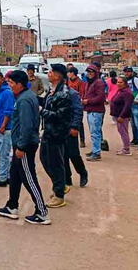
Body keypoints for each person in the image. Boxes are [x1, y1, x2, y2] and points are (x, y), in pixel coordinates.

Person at [0, 70, 49, 225]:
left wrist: (21, 146)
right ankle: (12, 206)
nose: (9, 86)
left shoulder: (25, 100)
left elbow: (26, 126)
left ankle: (42, 212)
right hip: (20, 143)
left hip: (24, 145)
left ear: (19, 84)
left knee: (29, 177)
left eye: (11, 83)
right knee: (15, 174)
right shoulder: (23, 97)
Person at [40, 64, 82, 207]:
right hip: (49, 131)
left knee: (56, 163)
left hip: (57, 133)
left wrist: (41, 111)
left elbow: (59, 116)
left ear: (58, 76)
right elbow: (46, 105)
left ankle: (59, 195)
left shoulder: (64, 93)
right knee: (45, 159)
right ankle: (60, 185)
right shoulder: (52, 91)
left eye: (51, 72)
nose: (49, 73)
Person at [83, 64, 106, 161]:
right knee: (93, 132)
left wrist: (88, 101)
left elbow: (101, 98)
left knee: (95, 132)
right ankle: (94, 150)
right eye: (88, 72)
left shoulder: (99, 83)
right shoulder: (90, 82)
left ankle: (96, 153)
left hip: (96, 111)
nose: (89, 74)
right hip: (91, 110)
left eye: (91, 72)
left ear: (96, 73)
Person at [123, 67, 138, 150]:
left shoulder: (136, 80)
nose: (127, 73)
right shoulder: (126, 81)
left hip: (136, 104)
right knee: (133, 123)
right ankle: (135, 140)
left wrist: (137, 99)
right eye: (126, 72)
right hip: (130, 104)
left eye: (129, 72)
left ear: (132, 72)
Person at [110, 77, 134, 156]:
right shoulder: (120, 91)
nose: (118, 84)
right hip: (118, 115)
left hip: (122, 116)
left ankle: (126, 149)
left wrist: (122, 116)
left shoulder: (127, 93)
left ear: (125, 83)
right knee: (122, 131)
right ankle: (125, 147)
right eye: (118, 82)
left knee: (123, 132)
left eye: (121, 82)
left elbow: (127, 106)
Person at [67, 67, 87, 148]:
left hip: (77, 103)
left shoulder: (80, 82)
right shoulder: (68, 82)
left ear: (72, 73)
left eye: (69, 72)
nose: (68, 74)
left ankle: (82, 140)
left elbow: (81, 93)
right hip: (68, 104)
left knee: (79, 123)